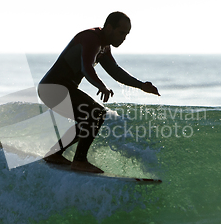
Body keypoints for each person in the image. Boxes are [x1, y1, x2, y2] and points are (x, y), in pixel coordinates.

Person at [38, 12, 160, 173]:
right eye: (121, 32)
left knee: (89, 118)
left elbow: (115, 72)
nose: (123, 38)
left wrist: (141, 85)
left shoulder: (104, 46)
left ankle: (54, 153)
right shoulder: (91, 38)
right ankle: (79, 160)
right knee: (97, 113)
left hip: (59, 89)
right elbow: (86, 66)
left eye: (126, 34)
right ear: (109, 28)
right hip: (53, 88)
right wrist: (100, 86)